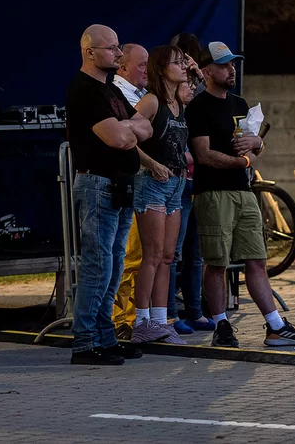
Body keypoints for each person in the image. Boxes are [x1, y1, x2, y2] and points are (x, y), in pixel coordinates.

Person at [186, 41, 295, 348]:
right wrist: (244, 161)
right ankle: (221, 325)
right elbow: (203, 155)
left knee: (257, 260)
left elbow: (254, 146)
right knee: (217, 262)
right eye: (224, 65)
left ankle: (275, 326)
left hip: (244, 191)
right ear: (207, 71)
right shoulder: (199, 106)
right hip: (213, 193)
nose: (231, 70)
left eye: (233, 64)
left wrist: (258, 143)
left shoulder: (240, 104)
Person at [67, 24, 153, 365]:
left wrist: (127, 128)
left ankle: (105, 335)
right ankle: (84, 342)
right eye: (112, 48)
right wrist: (128, 130)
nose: (118, 53)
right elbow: (118, 139)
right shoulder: (84, 90)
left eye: (118, 47)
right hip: (98, 185)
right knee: (98, 265)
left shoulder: (111, 90)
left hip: (119, 185)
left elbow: (145, 127)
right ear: (90, 52)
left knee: (115, 264)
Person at [130, 45, 200, 345]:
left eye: (184, 63)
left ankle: (161, 321)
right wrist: (151, 163)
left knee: (169, 256)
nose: (184, 67)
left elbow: (203, 93)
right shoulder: (151, 101)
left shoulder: (179, 102)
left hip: (176, 184)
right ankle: (141, 321)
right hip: (152, 183)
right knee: (153, 255)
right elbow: (127, 136)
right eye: (177, 63)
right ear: (161, 69)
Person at [168, 79, 214, 333]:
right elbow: (174, 152)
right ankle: (170, 314)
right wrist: (199, 153)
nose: (193, 87)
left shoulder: (194, 111)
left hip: (196, 184)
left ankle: (195, 312)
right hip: (178, 186)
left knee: (195, 254)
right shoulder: (170, 111)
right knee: (173, 253)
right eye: (187, 83)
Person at [110, 43, 149, 339]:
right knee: (129, 254)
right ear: (123, 68)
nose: (147, 70)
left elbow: (146, 131)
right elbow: (132, 137)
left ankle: (140, 316)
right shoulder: (118, 93)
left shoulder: (142, 95)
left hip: (143, 183)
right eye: (142, 64)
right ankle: (121, 319)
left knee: (146, 254)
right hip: (128, 181)